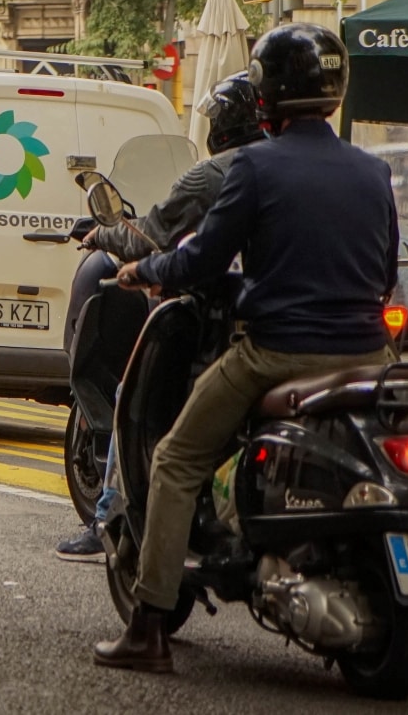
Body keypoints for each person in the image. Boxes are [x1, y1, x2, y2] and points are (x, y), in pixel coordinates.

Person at [94, 23, 400, 674]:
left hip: (279, 353)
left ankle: (149, 627)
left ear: (268, 94)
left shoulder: (256, 165)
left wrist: (144, 271)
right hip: (372, 357)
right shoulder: (374, 170)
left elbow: (200, 258)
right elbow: (382, 273)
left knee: (176, 458)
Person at [54, 73, 266, 562]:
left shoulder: (223, 175)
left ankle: (137, 575)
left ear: (223, 123)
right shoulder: (343, 168)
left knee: (147, 413)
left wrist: (136, 260)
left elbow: (168, 248)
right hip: (363, 339)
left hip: (249, 332)